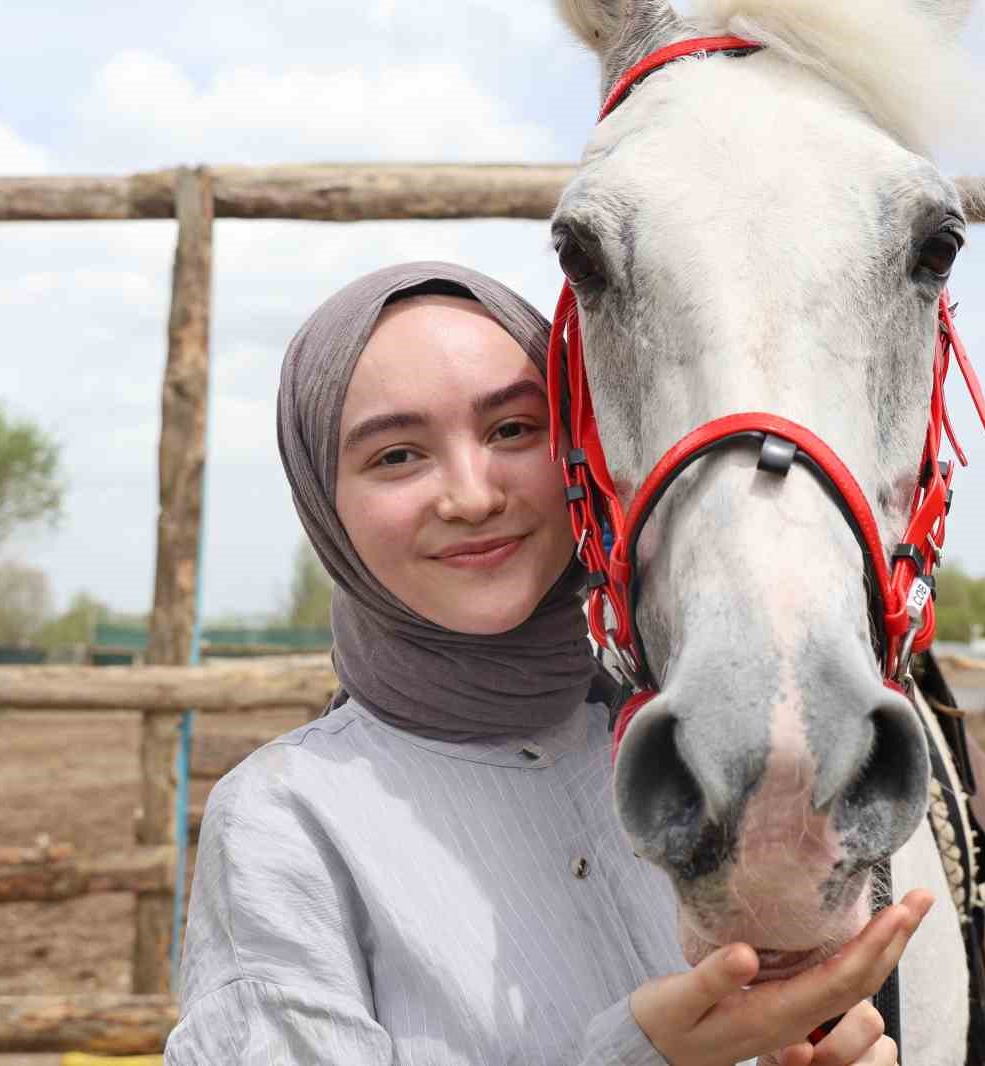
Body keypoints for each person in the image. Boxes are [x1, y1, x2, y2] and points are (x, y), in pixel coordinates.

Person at [163, 262, 932, 1066]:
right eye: (396, 456)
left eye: (513, 431)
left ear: (578, 445)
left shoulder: (699, 754)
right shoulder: (283, 822)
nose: (472, 496)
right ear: (325, 504)